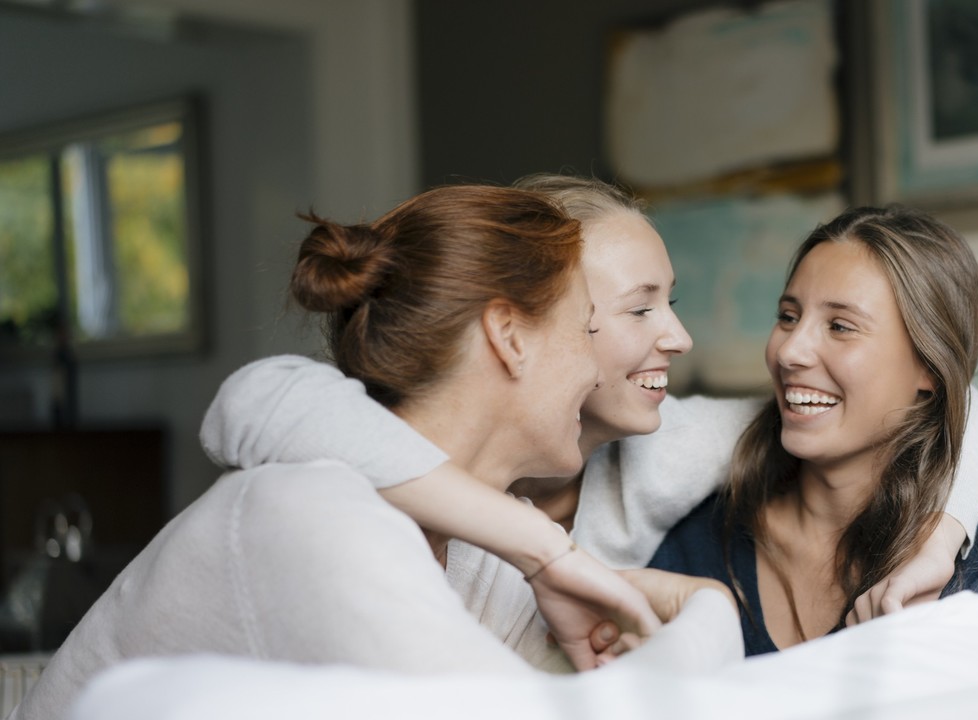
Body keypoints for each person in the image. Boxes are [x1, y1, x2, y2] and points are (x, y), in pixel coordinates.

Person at [199, 175, 978, 669]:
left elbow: (951, 404)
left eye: (670, 302)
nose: (679, 337)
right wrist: (542, 551)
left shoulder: (669, 450)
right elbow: (259, 399)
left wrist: (940, 539)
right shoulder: (344, 484)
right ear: (519, 329)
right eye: (637, 308)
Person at [14, 185, 743, 720]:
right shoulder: (310, 513)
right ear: (508, 336)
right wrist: (708, 610)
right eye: (584, 330)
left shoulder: (489, 563)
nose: (593, 369)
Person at [648, 205, 978, 655]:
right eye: (788, 316)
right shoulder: (700, 539)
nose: (789, 351)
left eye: (840, 326)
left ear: (928, 366)